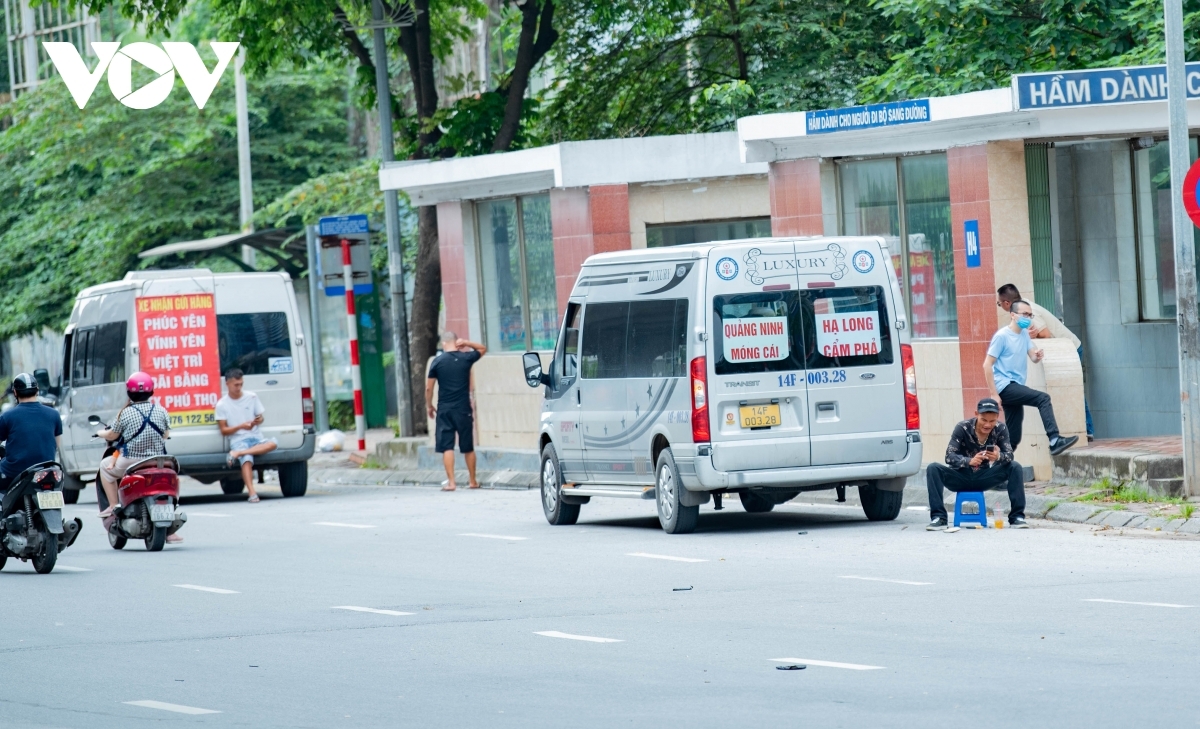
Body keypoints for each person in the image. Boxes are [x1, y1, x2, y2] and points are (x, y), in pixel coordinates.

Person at [997, 284, 1094, 441]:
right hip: (1010, 384)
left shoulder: (1028, 312)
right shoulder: (1008, 332)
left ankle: (1086, 429)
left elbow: (1046, 334)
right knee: (1015, 429)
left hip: (1070, 347)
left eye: (1000, 303)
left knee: (1071, 388)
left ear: (1007, 303)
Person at [984, 298, 1079, 456]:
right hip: (1005, 386)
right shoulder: (1002, 336)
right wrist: (994, 394)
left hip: (1015, 386)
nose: (1028, 318)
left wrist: (1037, 355)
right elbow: (987, 365)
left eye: (1030, 315)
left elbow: (1033, 357)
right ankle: (1054, 440)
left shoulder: (1023, 335)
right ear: (1013, 315)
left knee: (1013, 438)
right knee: (1043, 398)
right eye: (1025, 314)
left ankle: (995, 470)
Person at [95, 372, 181, 543]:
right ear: (151, 392)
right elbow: (165, 434)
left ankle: (113, 505)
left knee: (106, 468)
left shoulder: (125, 413)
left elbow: (112, 435)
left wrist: (100, 433)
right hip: (158, 460)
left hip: (132, 462)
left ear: (129, 393)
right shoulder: (161, 410)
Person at [926, 398, 1029, 530]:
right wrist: (969, 461)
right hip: (960, 476)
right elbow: (949, 456)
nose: (987, 425)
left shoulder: (1000, 428)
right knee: (933, 468)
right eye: (984, 420)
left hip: (983, 477)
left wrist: (998, 456)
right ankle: (939, 517)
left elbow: (1009, 455)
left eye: (992, 421)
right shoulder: (962, 427)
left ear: (997, 417)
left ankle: (1017, 518)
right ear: (976, 414)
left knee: (1015, 466)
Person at [425, 331, 487, 491]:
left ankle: (451, 483)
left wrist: (429, 405)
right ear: (456, 341)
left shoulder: (437, 362)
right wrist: (467, 342)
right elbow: (482, 349)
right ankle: (472, 481)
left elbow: (428, 388)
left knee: (447, 446)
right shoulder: (466, 358)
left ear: (444, 344)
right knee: (468, 446)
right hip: (463, 408)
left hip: (444, 409)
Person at [216, 368, 276, 503]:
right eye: (236, 385)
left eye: (241, 384)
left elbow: (261, 417)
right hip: (239, 439)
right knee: (247, 459)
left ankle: (238, 453)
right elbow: (224, 430)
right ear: (228, 384)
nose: (239, 388)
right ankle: (252, 492)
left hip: (255, 436)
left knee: (273, 443)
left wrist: (258, 421)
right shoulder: (222, 404)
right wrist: (241, 426)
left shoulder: (252, 397)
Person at [0, 373, 63, 495]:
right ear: (37, 391)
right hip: (48, 470)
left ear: (15, 393)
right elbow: (56, 445)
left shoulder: (7, 417)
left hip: (15, 472)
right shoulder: (54, 414)